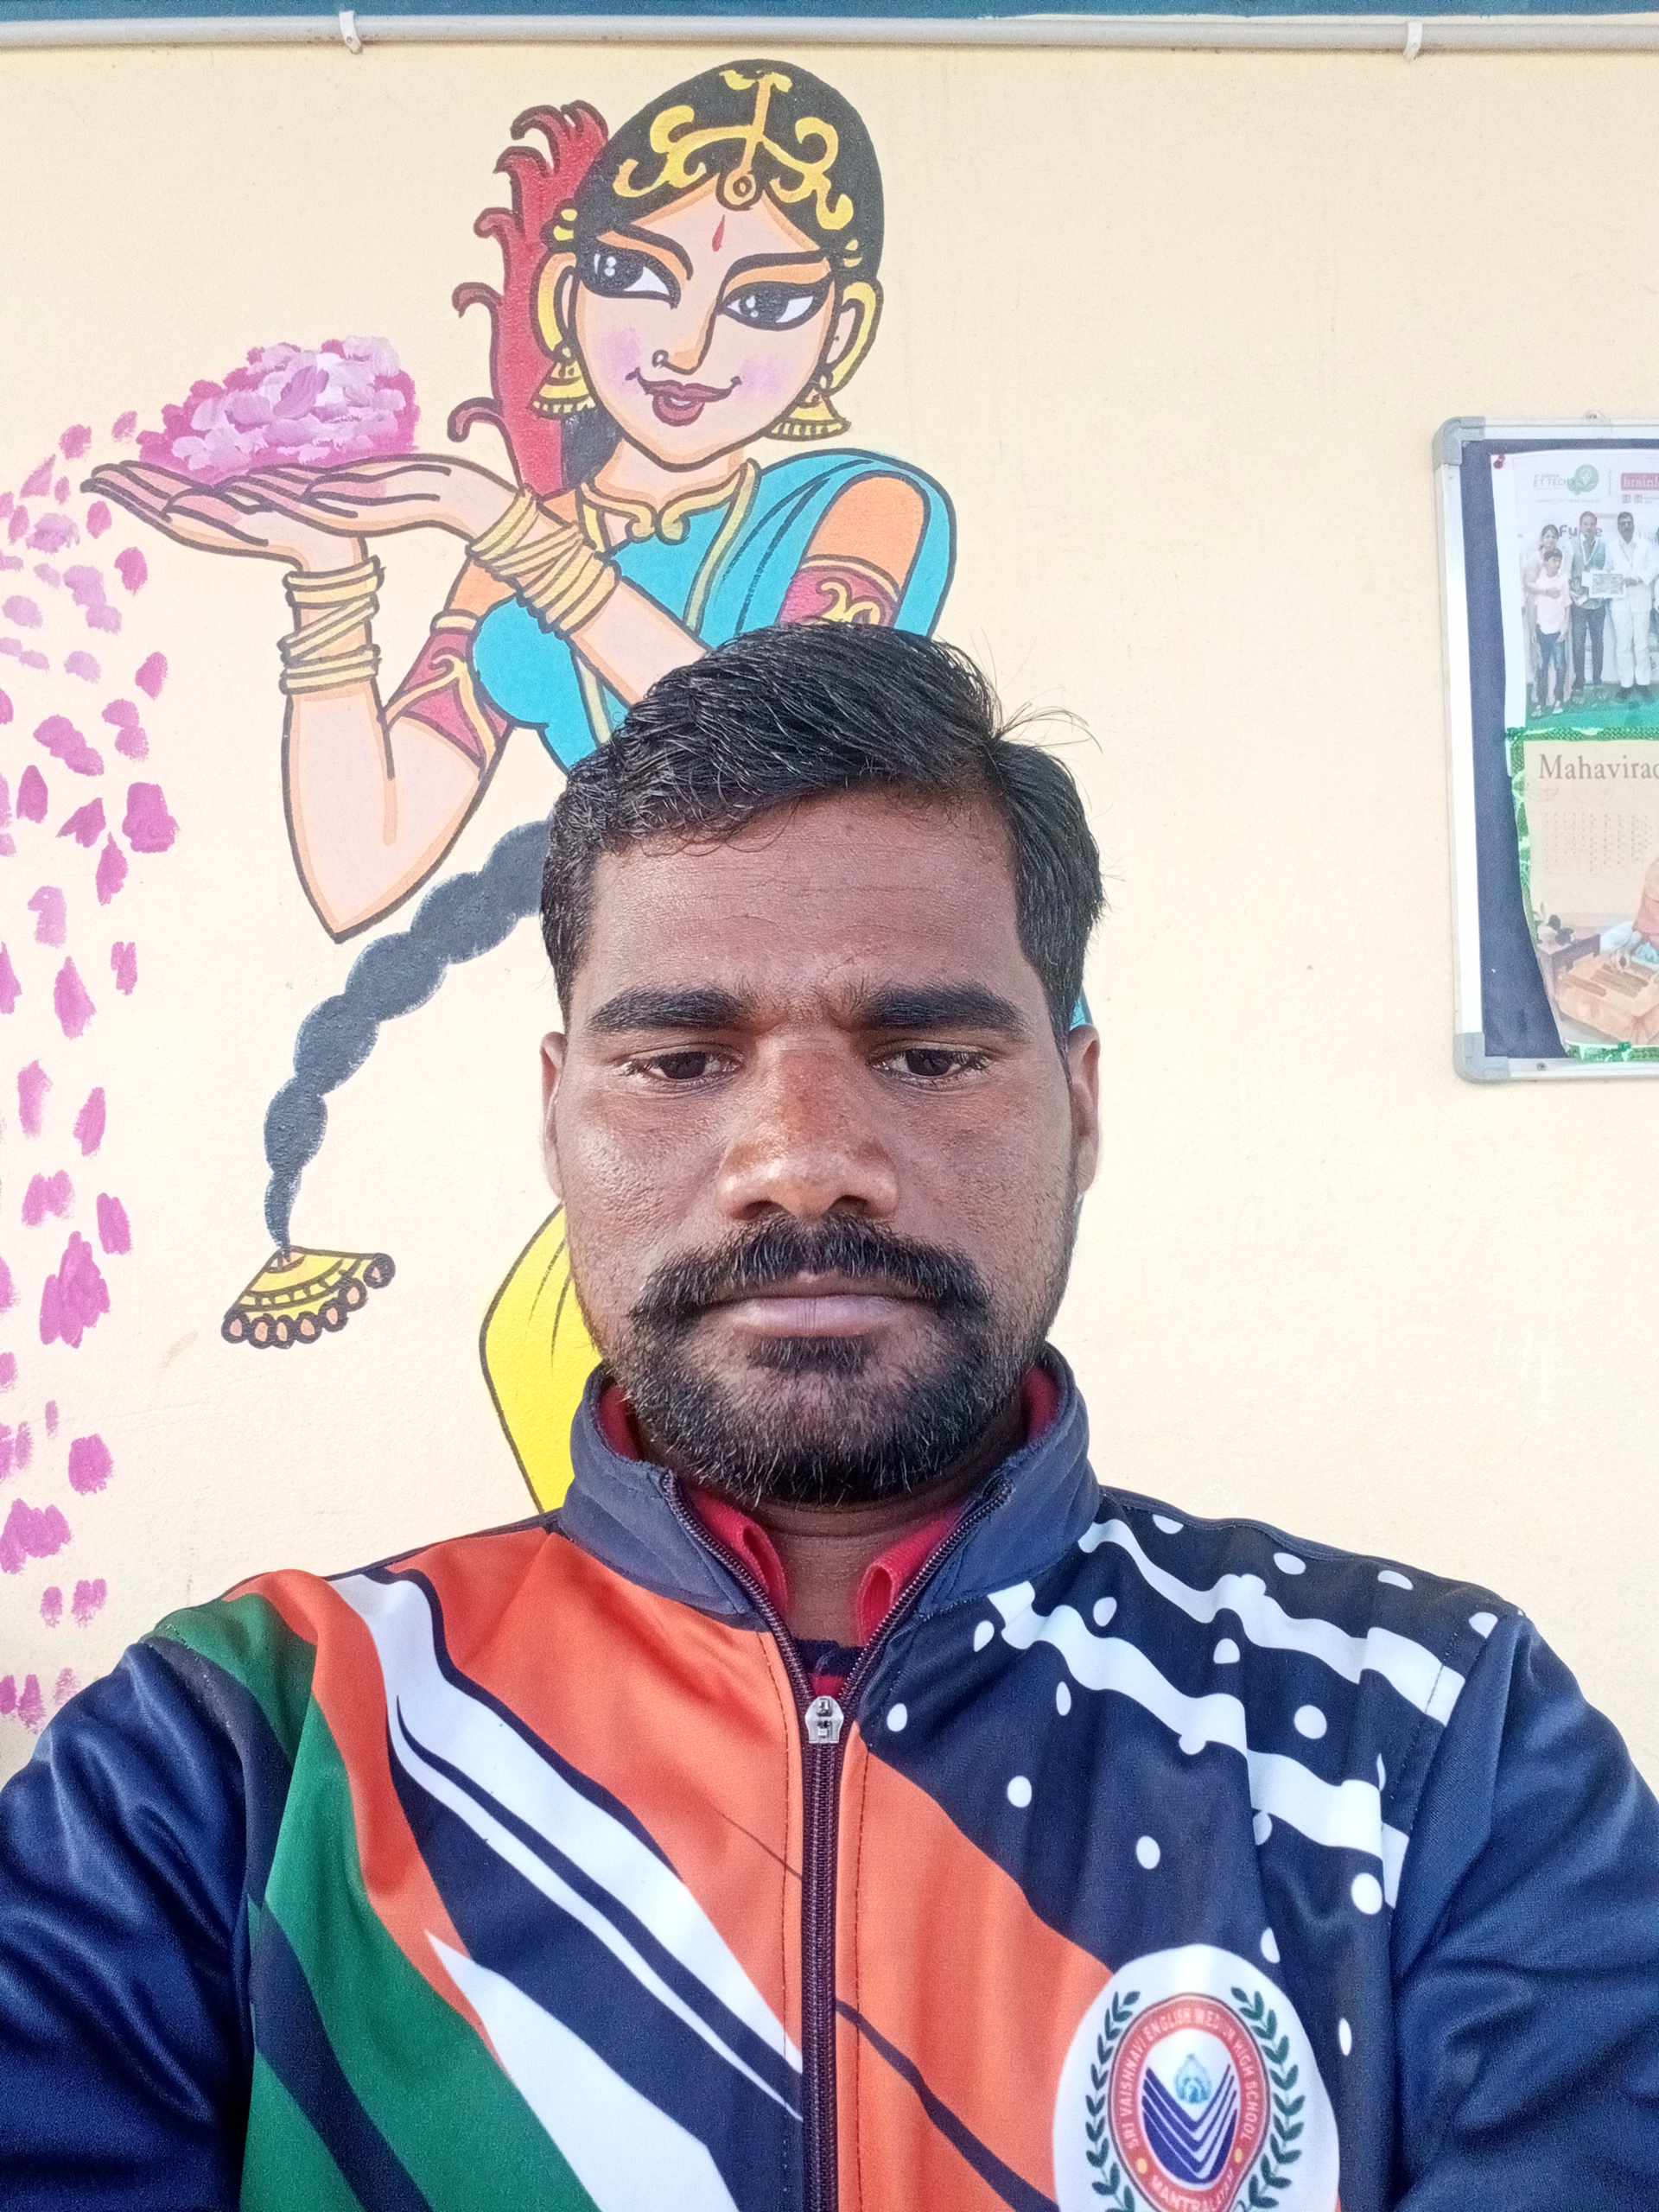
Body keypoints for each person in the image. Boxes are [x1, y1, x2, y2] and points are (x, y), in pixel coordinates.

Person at [3, 624, 1657, 2211]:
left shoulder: (1431, 1742)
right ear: (557, 1117)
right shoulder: (231, 1755)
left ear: (1080, 1107)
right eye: (680, 1060)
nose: (801, 1162)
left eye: (926, 1055)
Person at [85, 59, 955, 1499]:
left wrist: (504, 528)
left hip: (904, 1049)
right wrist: (330, 582)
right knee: (558, 1354)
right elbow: (361, 859)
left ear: (841, 331)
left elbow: (785, 756)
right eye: (636, 277)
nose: (686, 344)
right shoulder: (511, 567)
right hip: (687, 1051)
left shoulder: (861, 507)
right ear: (564, 296)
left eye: (763, 301)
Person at [1605, 508, 1658, 699]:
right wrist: (1609, 579)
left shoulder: (1646, 545)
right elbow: (1607, 570)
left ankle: (1643, 683)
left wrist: (1637, 578)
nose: (1626, 526)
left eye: (1629, 523)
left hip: (1641, 600)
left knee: (1641, 644)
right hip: (1619, 602)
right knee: (1623, 645)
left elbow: (1653, 568)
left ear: (1634, 524)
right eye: (1623, 523)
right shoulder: (1612, 547)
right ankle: (1626, 684)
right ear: (1618, 527)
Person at [1569, 505, 1610, 698]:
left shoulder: (1603, 546)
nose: (1589, 527)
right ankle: (1579, 683)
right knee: (1578, 644)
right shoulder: (1571, 545)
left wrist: (1604, 592)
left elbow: (1608, 572)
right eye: (1586, 524)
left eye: (1592, 524)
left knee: (1598, 643)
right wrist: (1573, 595)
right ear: (1580, 526)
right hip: (1578, 603)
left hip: (1597, 603)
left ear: (1596, 526)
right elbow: (1566, 574)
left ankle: (1598, 681)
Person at [1527, 543, 1572, 713]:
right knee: (1541, 667)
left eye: (1559, 561)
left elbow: (1567, 605)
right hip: (1542, 631)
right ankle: (1540, 703)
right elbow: (1534, 608)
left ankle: (1558, 700)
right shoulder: (1538, 582)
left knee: (1561, 666)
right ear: (1545, 562)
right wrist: (1533, 630)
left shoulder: (1563, 581)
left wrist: (1565, 627)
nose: (1557, 564)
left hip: (1558, 631)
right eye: (1554, 560)